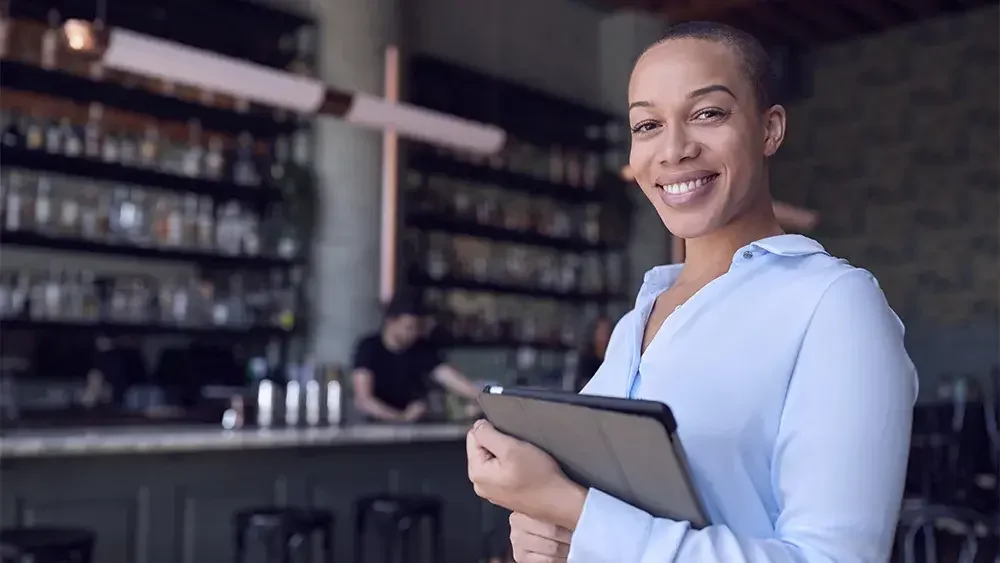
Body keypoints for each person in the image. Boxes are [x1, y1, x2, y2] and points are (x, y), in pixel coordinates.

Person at [466, 21, 917, 563]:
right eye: (647, 125)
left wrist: (576, 513)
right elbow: (611, 528)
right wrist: (555, 537)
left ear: (770, 129)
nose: (674, 149)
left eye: (707, 113)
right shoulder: (637, 320)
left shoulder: (835, 304)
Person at [351, 294, 480, 423]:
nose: (413, 334)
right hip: (374, 425)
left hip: (414, 426)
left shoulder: (420, 348)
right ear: (390, 322)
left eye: (417, 328)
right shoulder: (368, 348)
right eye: (408, 328)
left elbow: (448, 376)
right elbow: (364, 400)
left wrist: (479, 396)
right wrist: (400, 417)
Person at [574, 316, 612, 392]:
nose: (604, 334)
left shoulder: (614, 356)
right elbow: (582, 384)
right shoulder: (586, 358)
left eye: (606, 330)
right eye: (601, 330)